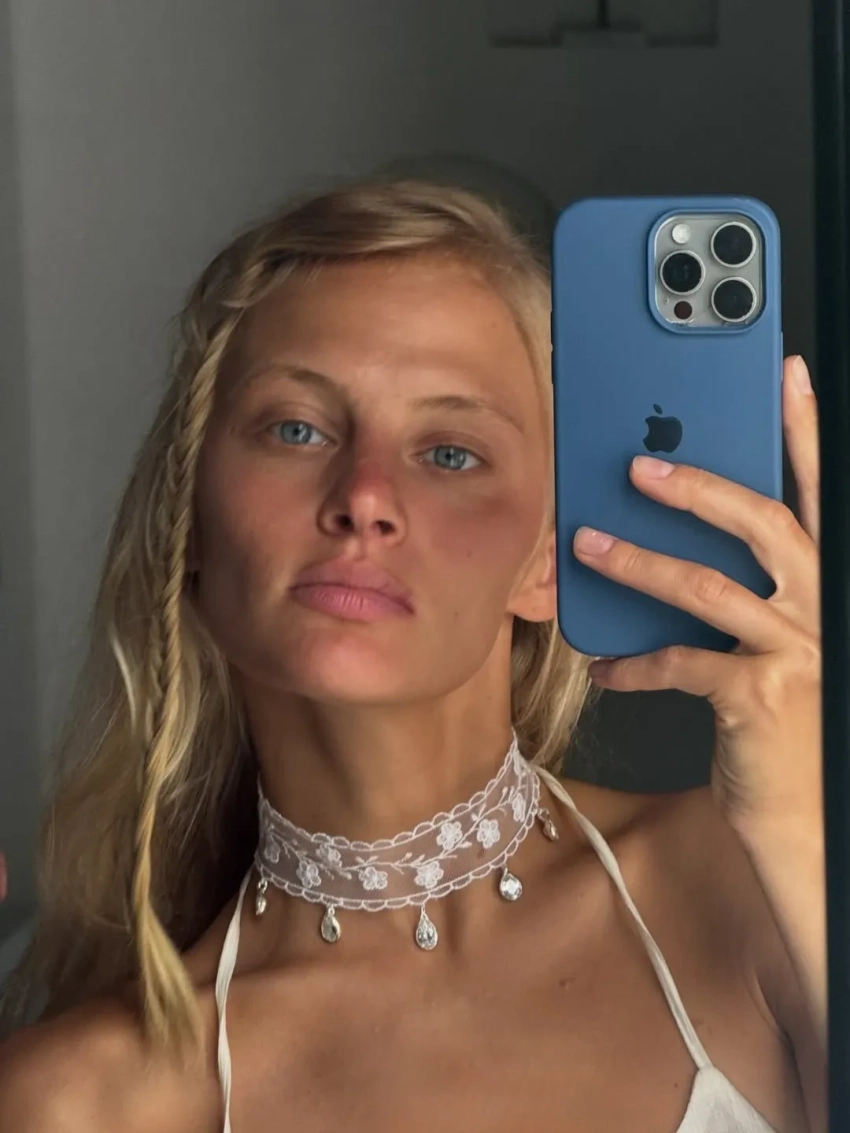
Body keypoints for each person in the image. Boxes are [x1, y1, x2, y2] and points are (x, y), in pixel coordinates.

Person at [0, 180, 826, 1131]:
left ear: (546, 561)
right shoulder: (84, 1100)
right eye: (297, 428)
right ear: (190, 520)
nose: (364, 496)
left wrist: (808, 821)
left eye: (450, 453)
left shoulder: (749, 878)